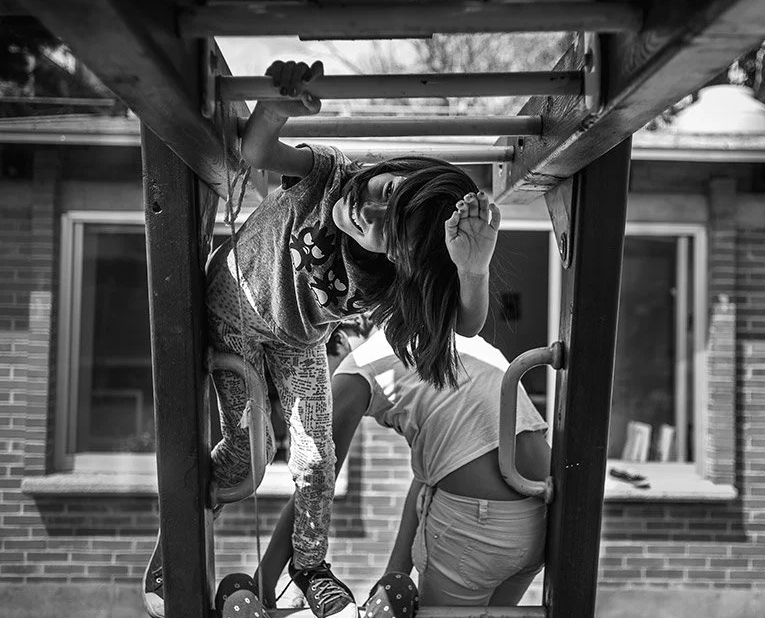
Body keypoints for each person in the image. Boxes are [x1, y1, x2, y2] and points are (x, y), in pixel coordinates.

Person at [142, 59, 501, 618]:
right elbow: (258, 153)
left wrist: (472, 268)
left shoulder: (391, 280)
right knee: (244, 458)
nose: (369, 206)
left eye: (387, 224)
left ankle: (308, 564)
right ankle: (177, 549)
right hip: (233, 311)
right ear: (391, 166)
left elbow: (465, 324)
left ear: (402, 258)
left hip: (297, 340)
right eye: (386, 188)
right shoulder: (331, 175)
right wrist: (276, 108)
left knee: (315, 459)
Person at [256, 327, 551, 609]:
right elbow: (428, 476)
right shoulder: (441, 334)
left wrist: (265, 577)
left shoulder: (358, 366)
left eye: (323, 374)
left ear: (342, 340)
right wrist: (393, 576)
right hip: (541, 514)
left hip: (477, 528)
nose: (326, 388)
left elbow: (315, 483)